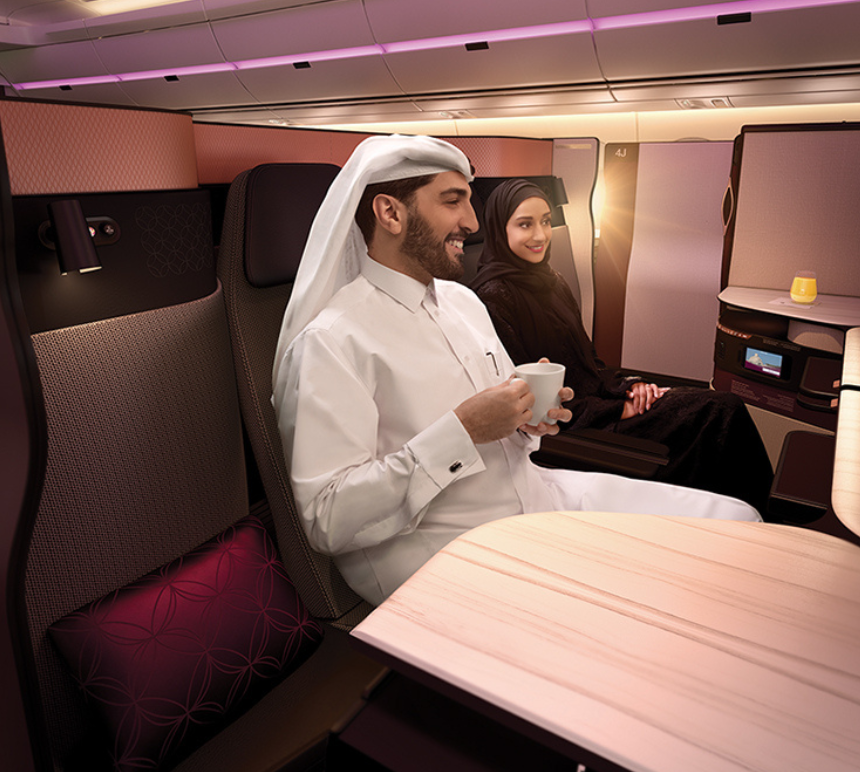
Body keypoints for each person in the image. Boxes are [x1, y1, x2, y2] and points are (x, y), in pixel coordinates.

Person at [273, 135, 760, 606]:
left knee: (739, 523)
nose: (471, 221)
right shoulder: (331, 342)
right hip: (450, 551)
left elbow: (510, 427)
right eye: (453, 201)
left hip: (537, 495)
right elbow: (328, 519)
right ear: (391, 213)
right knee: (683, 593)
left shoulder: (462, 303)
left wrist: (529, 421)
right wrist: (462, 432)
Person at [469, 178, 775, 514]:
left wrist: (629, 387)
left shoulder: (551, 281)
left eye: (545, 221)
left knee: (722, 407)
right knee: (720, 413)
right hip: (574, 424)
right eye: (525, 224)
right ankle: (748, 519)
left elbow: (589, 361)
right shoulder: (492, 298)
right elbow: (528, 400)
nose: (540, 235)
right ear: (500, 229)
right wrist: (616, 409)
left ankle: (748, 514)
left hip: (602, 398)